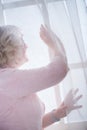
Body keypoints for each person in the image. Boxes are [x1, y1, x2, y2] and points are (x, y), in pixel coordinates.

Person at [0, 24, 82, 130]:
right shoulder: (6, 80)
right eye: (22, 41)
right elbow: (58, 70)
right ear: (9, 48)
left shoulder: (8, 80)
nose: (27, 46)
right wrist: (55, 45)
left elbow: (30, 124)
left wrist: (56, 115)